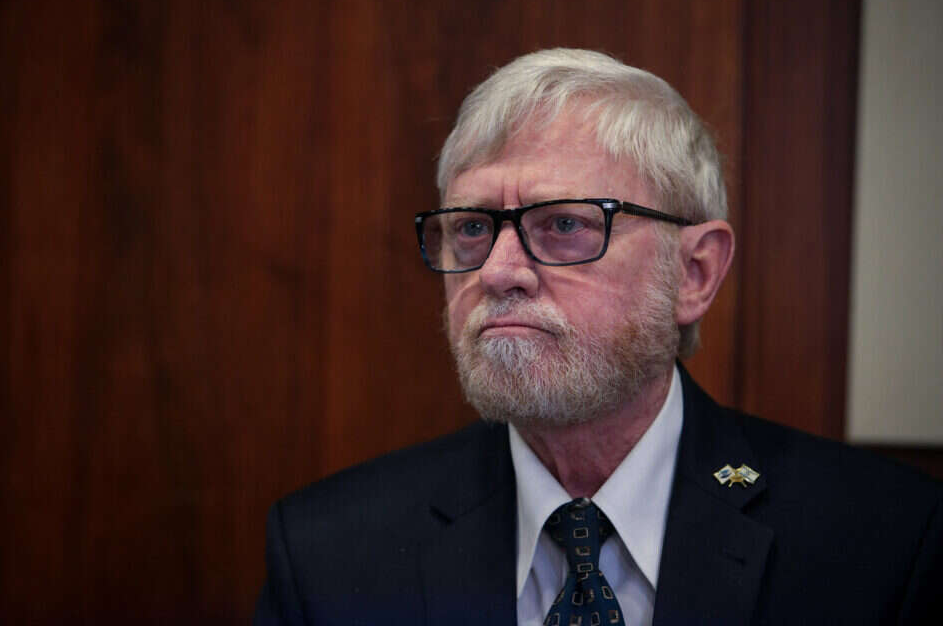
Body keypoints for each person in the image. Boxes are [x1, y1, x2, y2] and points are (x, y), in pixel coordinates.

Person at [254, 49, 942, 625]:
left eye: (564, 224)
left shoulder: (884, 543)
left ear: (695, 273)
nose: (497, 272)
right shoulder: (327, 555)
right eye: (472, 228)